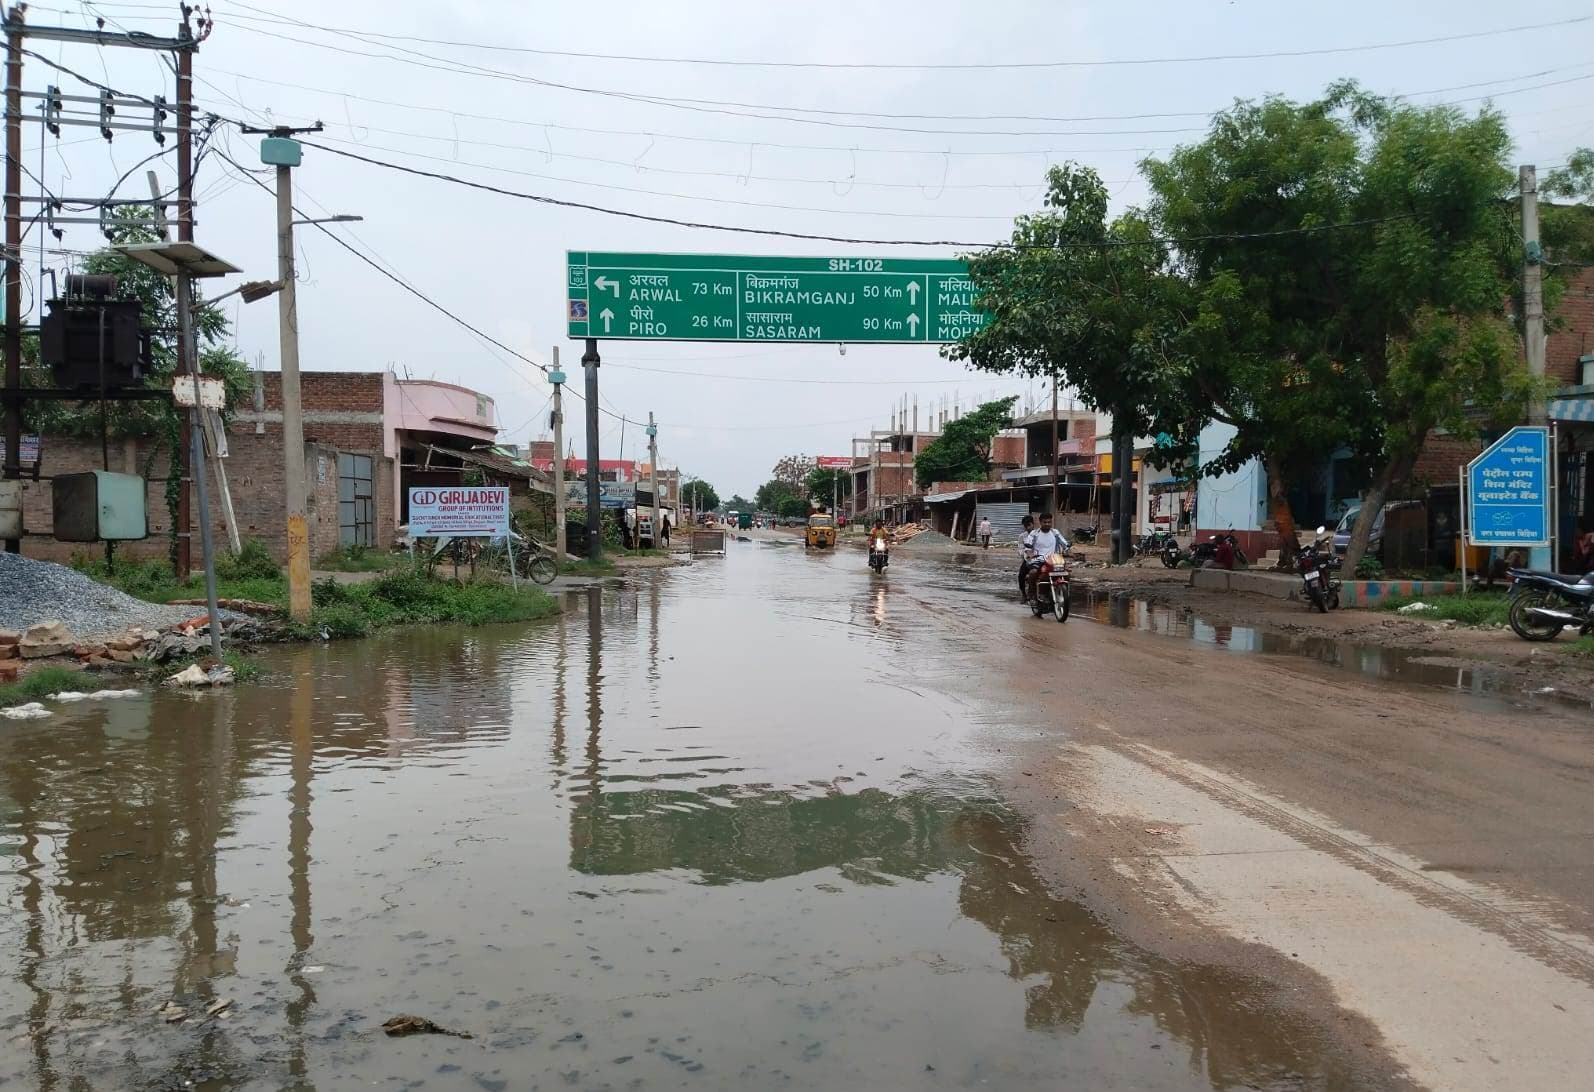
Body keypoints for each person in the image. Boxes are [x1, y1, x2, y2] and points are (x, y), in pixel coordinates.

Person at [1025, 513, 1071, 601]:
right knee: (1033, 573)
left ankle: (1065, 593)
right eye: (1045, 522)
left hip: (1054, 560)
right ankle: (1032, 593)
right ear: (1040, 522)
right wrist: (1030, 554)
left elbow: (1065, 543)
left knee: (1067, 574)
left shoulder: (1055, 532)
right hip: (1039, 560)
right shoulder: (1034, 533)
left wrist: (1067, 548)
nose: (1047, 524)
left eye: (1049, 522)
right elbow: (1028, 547)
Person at [1017, 514, 1036, 599]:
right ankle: (1023, 594)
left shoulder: (1039, 534)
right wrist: (1026, 554)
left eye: (1029, 525)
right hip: (1028, 559)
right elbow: (1020, 549)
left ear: (1033, 524)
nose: (1028, 528)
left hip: (1040, 558)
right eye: (1025, 526)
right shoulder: (1022, 536)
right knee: (1021, 575)